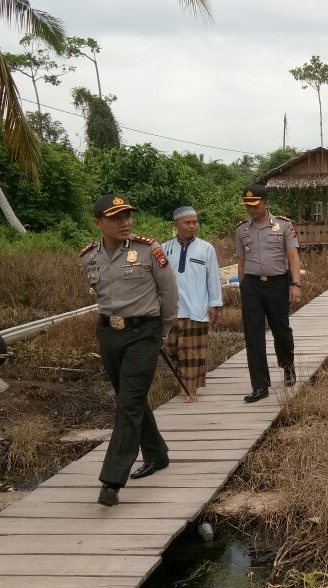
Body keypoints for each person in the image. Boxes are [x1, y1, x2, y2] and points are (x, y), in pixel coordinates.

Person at [79, 194, 178, 507]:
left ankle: (112, 479)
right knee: (130, 398)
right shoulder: (88, 257)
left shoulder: (149, 250)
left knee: (128, 403)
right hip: (109, 333)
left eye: (128, 216)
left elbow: (169, 293)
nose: (125, 222)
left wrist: (163, 332)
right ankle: (156, 453)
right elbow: (98, 295)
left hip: (144, 332)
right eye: (116, 218)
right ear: (99, 223)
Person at [235, 185, 302, 403]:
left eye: (255, 205)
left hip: (277, 284)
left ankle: (287, 365)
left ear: (266, 203)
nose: (251, 210)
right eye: (247, 206)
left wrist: (295, 284)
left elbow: (292, 256)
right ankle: (260, 386)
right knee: (253, 335)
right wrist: (243, 286)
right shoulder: (242, 230)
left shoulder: (283, 225)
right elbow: (241, 262)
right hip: (252, 286)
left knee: (280, 329)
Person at [161, 206, 223, 403]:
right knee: (172, 349)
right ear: (175, 225)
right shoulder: (164, 249)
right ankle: (185, 383)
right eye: (187, 223)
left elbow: (213, 278)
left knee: (192, 353)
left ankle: (190, 390)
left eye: (194, 222)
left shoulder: (206, 249)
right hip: (171, 310)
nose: (192, 226)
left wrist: (215, 304)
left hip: (197, 309)